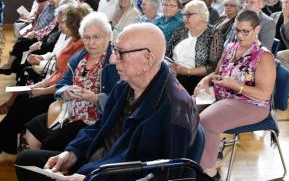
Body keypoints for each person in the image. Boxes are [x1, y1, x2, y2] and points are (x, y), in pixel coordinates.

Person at [16, 23, 199, 181]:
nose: (112, 59)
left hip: (110, 173)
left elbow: (155, 174)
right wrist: (72, 153)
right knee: (26, 160)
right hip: (100, 163)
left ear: (147, 58)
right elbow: (99, 126)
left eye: (120, 53)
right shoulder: (125, 85)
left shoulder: (174, 110)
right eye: (114, 50)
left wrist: (92, 177)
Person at [0, 4, 90, 155]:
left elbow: (65, 78)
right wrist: (42, 84)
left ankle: (7, 142)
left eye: (62, 22)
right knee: (22, 101)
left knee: (26, 104)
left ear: (73, 24)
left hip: (60, 94)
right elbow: (59, 68)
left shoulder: (81, 46)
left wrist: (43, 90)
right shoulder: (73, 40)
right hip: (53, 84)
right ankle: (7, 141)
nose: (59, 26)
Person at [196, 9, 275, 179]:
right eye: (237, 30)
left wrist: (237, 86)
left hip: (252, 104)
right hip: (225, 97)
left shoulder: (264, 56)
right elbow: (217, 73)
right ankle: (196, 157)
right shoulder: (230, 48)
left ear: (257, 30)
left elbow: (264, 94)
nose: (240, 35)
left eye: (245, 31)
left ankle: (209, 172)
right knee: (185, 111)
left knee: (206, 122)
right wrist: (206, 80)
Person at [25, 12, 119, 151]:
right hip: (68, 111)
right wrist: (65, 93)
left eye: (96, 37)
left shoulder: (114, 63)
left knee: (52, 141)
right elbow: (63, 83)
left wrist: (95, 98)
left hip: (93, 120)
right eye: (86, 37)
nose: (91, 42)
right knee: (32, 129)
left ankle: (50, 166)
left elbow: (120, 99)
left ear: (109, 36)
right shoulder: (79, 58)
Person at [166, 0, 223, 95]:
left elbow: (213, 67)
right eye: (184, 14)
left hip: (197, 79)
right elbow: (166, 55)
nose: (184, 18)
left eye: (189, 15)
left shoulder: (214, 34)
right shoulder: (180, 31)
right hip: (173, 74)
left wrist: (189, 71)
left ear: (202, 16)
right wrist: (169, 65)